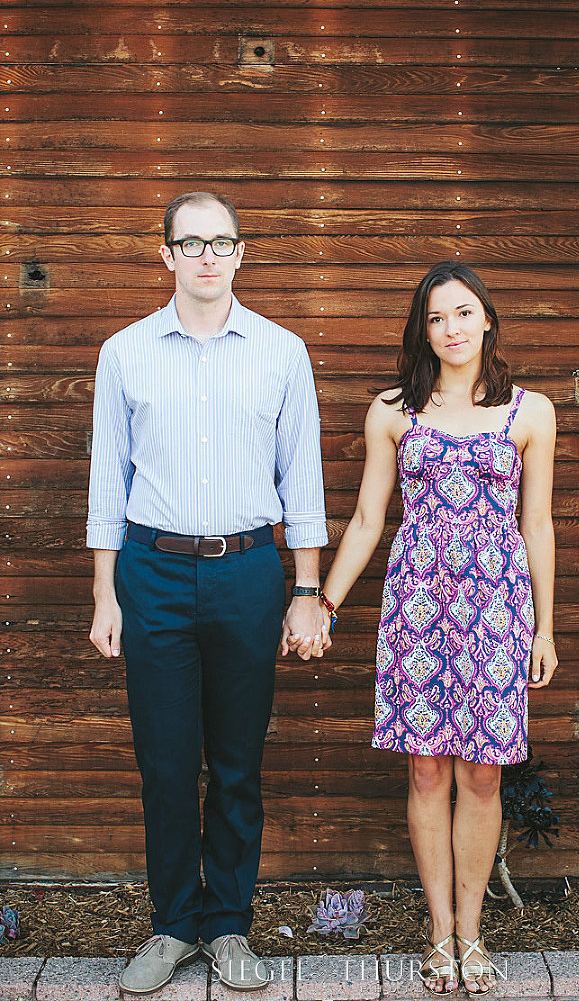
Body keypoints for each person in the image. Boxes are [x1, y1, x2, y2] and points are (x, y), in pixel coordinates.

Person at [87, 191, 328, 994]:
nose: (205, 256)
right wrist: (104, 596)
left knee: (234, 763)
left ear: (240, 253)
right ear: (166, 256)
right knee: (164, 762)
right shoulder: (124, 353)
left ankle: (227, 927)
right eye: (189, 243)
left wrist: (307, 590)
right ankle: (170, 926)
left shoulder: (281, 352)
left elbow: (303, 481)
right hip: (150, 575)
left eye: (220, 242)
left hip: (248, 575)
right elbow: (105, 486)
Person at [318, 262, 557, 994]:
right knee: (424, 767)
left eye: (462, 313)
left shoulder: (531, 412)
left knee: (483, 773)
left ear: (487, 318)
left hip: (496, 608)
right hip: (418, 606)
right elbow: (366, 519)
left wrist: (545, 629)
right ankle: (438, 934)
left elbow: (537, 523)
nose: (450, 328)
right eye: (435, 317)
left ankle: (474, 933)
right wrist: (323, 603)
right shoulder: (393, 409)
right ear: (423, 330)